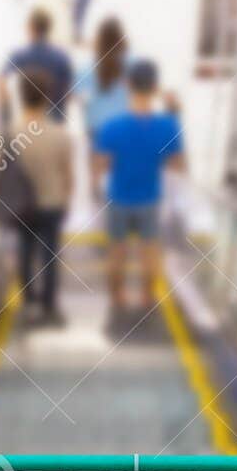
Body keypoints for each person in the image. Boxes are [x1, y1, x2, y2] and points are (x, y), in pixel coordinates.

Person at [93, 60, 185, 312]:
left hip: (119, 197)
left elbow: (100, 165)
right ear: (155, 88)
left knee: (116, 253)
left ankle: (117, 297)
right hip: (149, 198)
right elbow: (177, 166)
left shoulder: (111, 126)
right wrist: (174, 113)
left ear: (127, 85)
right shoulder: (168, 126)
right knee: (150, 253)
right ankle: (146, 298)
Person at [13, 74, 74, 326]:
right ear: (47, 97)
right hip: (52, 203)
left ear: (21, 96)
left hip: (20, 206)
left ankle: (29, 302)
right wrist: (66, 199)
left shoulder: (9, 133)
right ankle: (49, 305)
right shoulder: (60, 134)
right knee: (50, 255)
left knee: (24, 253)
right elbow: (67, 174)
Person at [0, 9, 74, 121]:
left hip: (30, 122)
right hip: (56, 121)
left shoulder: (20, 55)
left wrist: (5, 116)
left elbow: (1, 82)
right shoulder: (62, 57)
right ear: (49, 28)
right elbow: (69, 92)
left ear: (31, 27)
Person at [75, 17, 131, 143]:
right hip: (125, 130)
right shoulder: (131, 64)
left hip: (96, 132)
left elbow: (78, 99)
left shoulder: (84, 70)